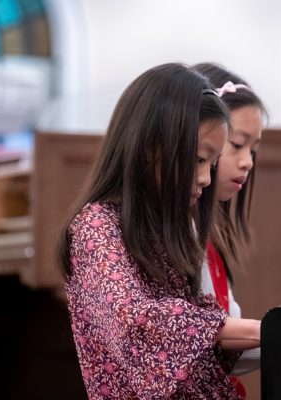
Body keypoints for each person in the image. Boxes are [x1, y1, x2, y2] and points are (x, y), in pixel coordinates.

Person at [58, 63, 260, 399]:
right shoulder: (96, 227)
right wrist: (253, 330)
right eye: (198, 160)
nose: (206, 179)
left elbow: (203, 341)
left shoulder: (164, 229)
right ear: (152, 146)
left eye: (211, 165)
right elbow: (136, 322)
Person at [192, 63, 267, 396]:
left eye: (253, 150)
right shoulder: (175, 233)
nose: (248, 161)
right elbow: (194, 340)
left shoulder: (210, 237)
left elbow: (224, 348)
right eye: (236, 144)